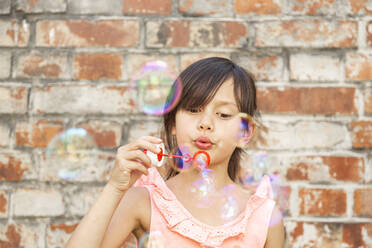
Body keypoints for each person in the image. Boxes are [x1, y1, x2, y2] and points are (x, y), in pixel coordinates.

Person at [66, 57, 285, 248]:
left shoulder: (263, 217)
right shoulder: (144, 201)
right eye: (193, 109)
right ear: (172, 123)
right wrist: (115, 188)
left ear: (244, 133)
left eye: (223, 114)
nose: (206, 123)